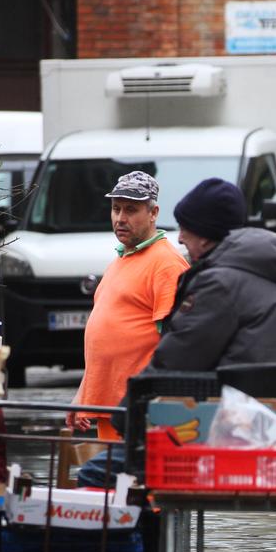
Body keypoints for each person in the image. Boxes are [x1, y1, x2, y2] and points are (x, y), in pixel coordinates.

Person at [71, 170, 190, 436]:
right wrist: (83, 394)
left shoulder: (165, 264)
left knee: (123, 477)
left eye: (131, 210)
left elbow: (175, 343)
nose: (120, 218)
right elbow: (103, 341)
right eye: (116, 209)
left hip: (136, 410)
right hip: (111, 408)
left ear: (153, 213)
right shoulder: (121, 259)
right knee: (107, 477)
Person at [147, 178, 276, 373]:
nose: (180, 238)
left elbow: (175, 359)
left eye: (184, 228)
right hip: (265, 400)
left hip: (233, 400)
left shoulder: (218, 284)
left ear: (204, 236)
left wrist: (130, 401)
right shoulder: (267, 273)